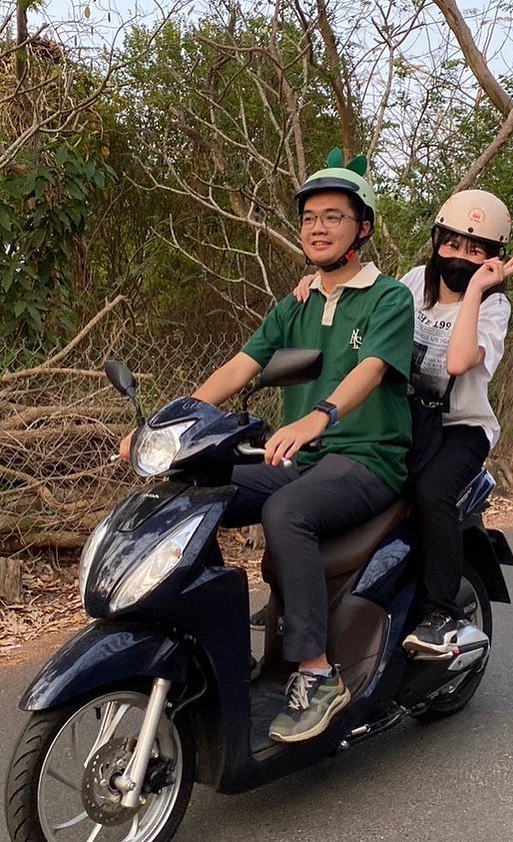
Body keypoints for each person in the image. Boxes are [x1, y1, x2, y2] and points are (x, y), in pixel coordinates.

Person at [120, 148, 414, 743]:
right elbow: (240, 367)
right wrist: (166, 427)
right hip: (301, 461)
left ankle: (317, 672)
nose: (318, 228)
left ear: (362, 228)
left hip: (366, 460)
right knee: (195, 491)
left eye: (333, 216)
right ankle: (203, 642)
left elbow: (373, 369)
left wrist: (321, 415)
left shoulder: (388, 298)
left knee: (286, 512)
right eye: (309, 218)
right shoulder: (296, 304)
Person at [292, 189, 513, 654]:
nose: (460, 256)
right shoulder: (415, 281)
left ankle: (443, 613)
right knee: (334, 480)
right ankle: (310, 595)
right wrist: (320, 284)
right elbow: (369, 308)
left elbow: (458, 361)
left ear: (494, 258)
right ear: (437, 240)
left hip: (461, 427)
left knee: (431, 492)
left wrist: (475, 291)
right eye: (452, 242)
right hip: (405, 415)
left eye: (476, 250)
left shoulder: (494, 307)